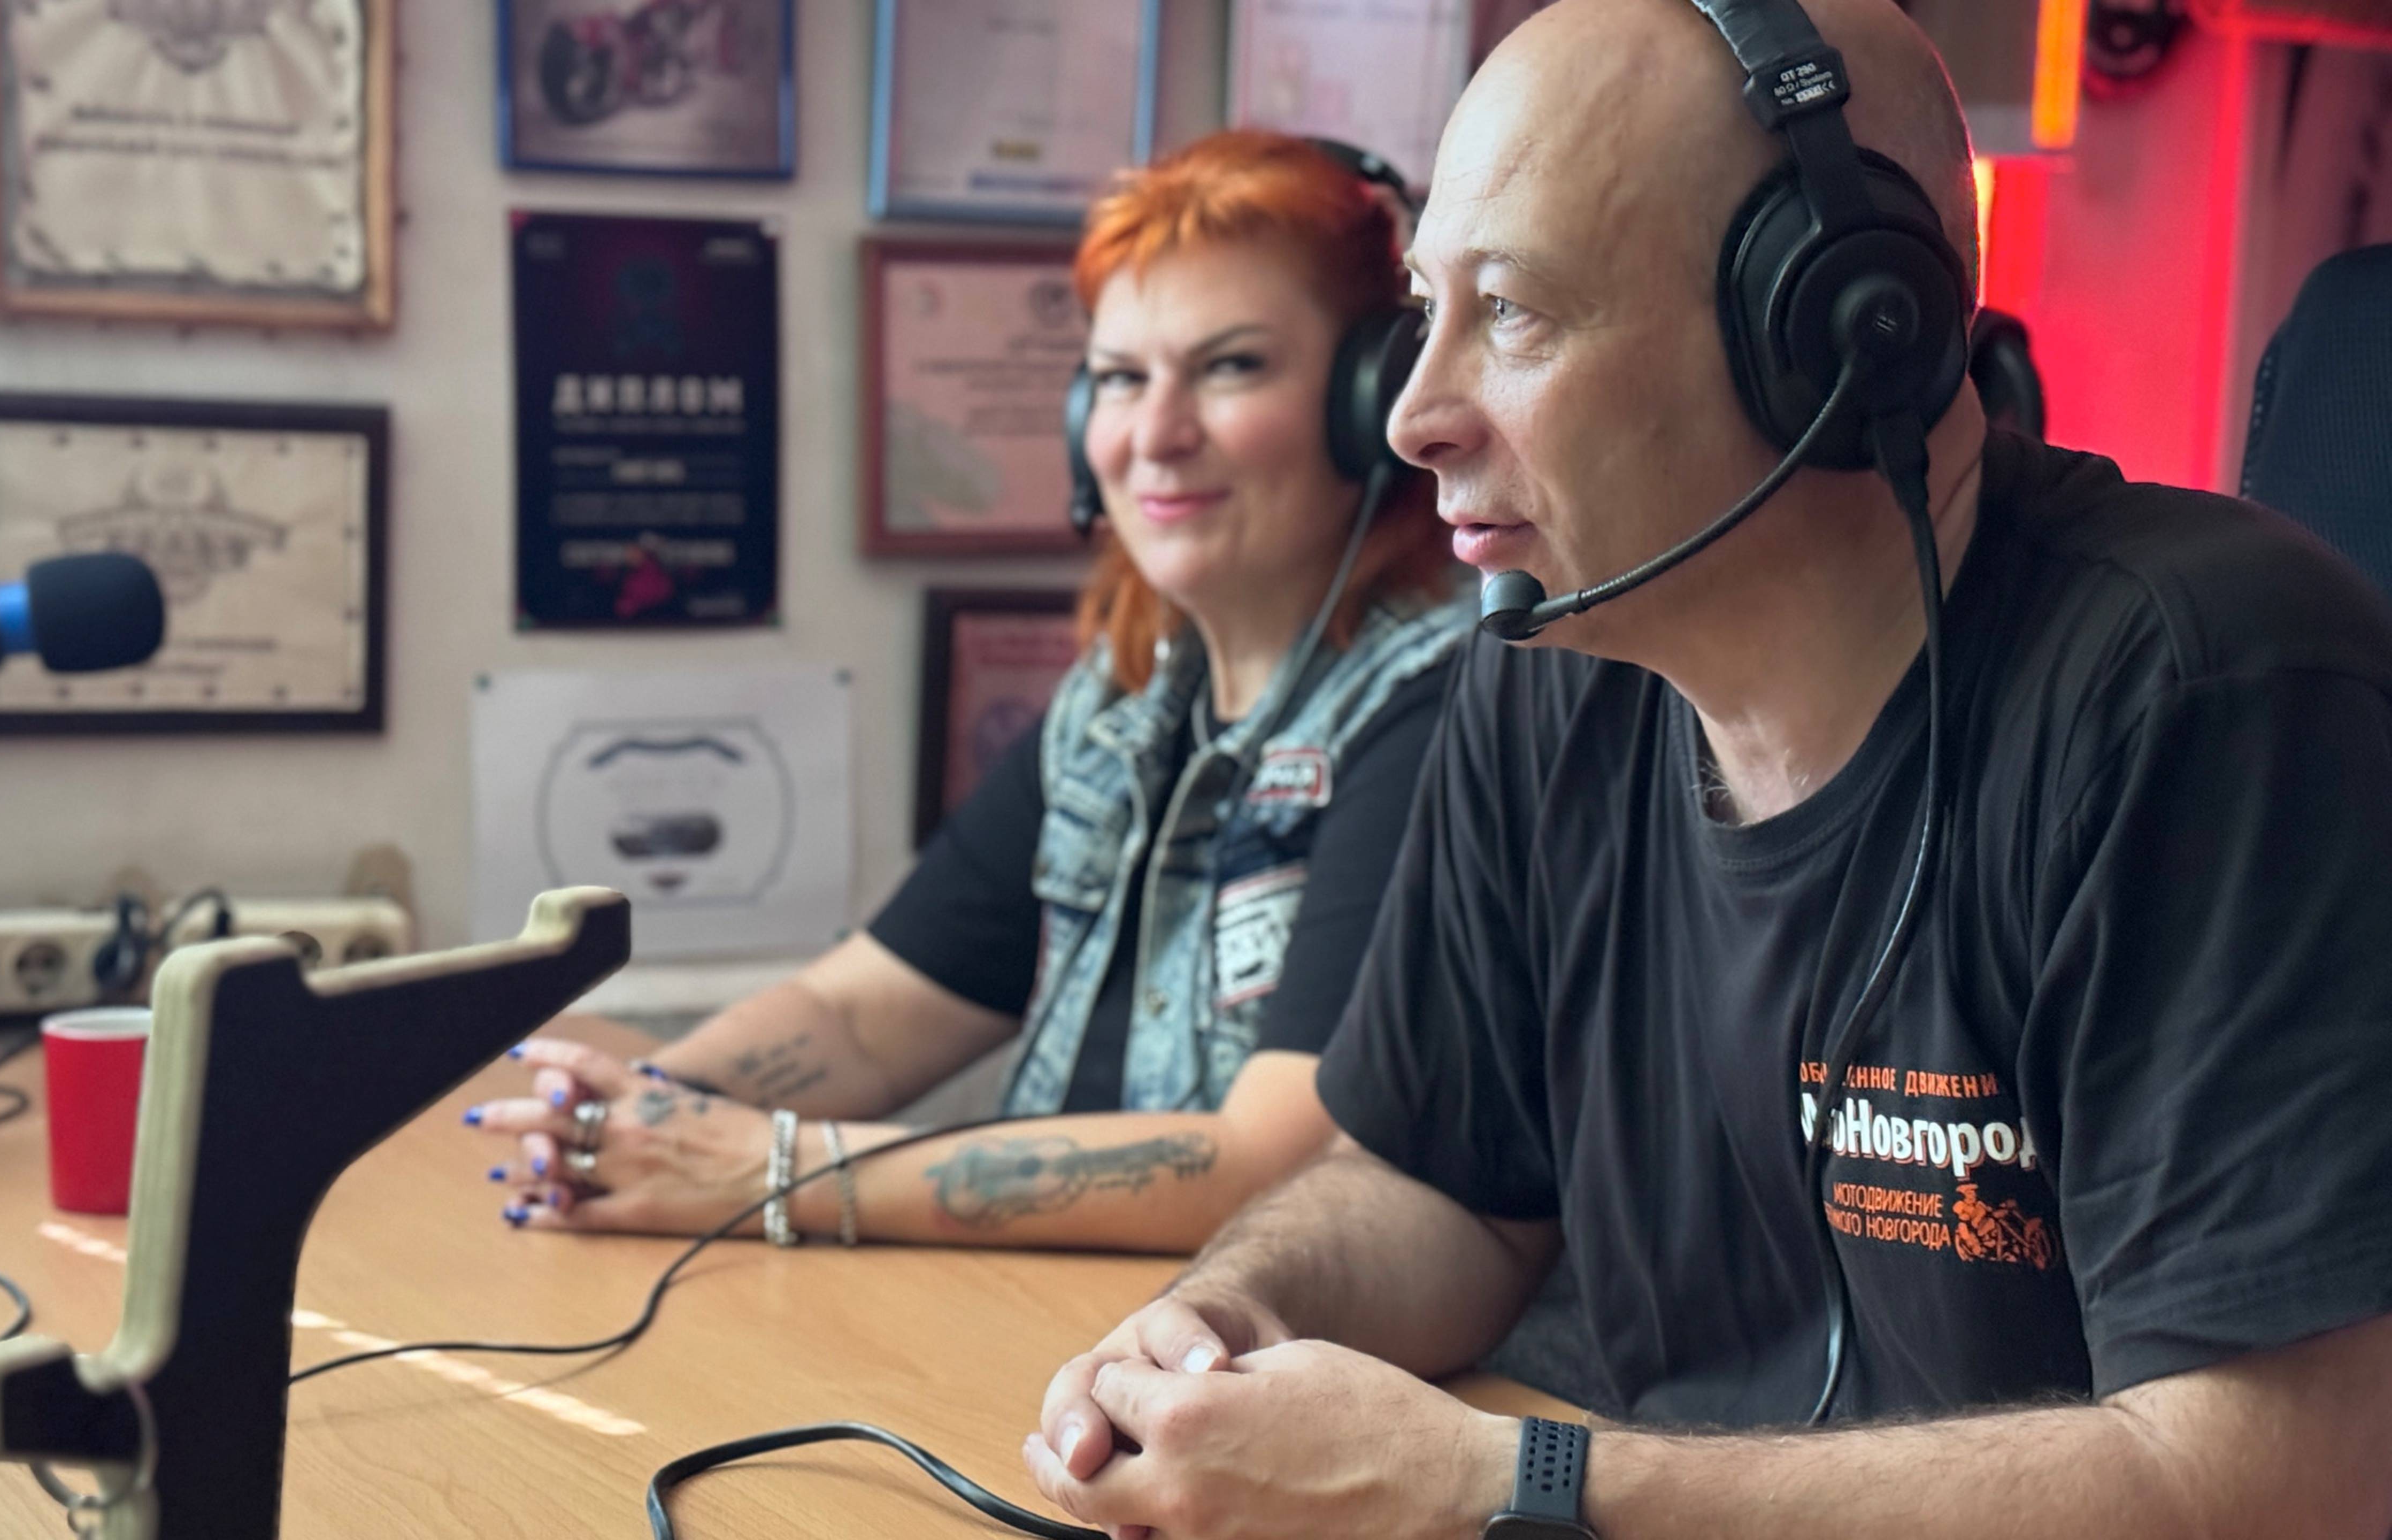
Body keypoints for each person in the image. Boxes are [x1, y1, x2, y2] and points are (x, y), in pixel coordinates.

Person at [1024, 1, 2392, 1535]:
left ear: (1836, 328)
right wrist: (1223, 1322)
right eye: (1425, 311)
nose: (1414, 416)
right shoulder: (1554, 667)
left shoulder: (2208, 694)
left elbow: (2280, 1481)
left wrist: (1504, 1489)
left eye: (1513, 314)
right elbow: (1440, 1188)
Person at [467, 132, 1479, 1253]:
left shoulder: (1444, 711)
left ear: (1375, 398)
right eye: (1119, 379)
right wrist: (617, 1111)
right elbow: (863, 1015)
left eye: (1231, 367)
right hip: (1061, 1317)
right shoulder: (1121, 704)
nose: (1154, 435)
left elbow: (1273, 1165)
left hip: (1242, 1338)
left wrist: (776, 1173)